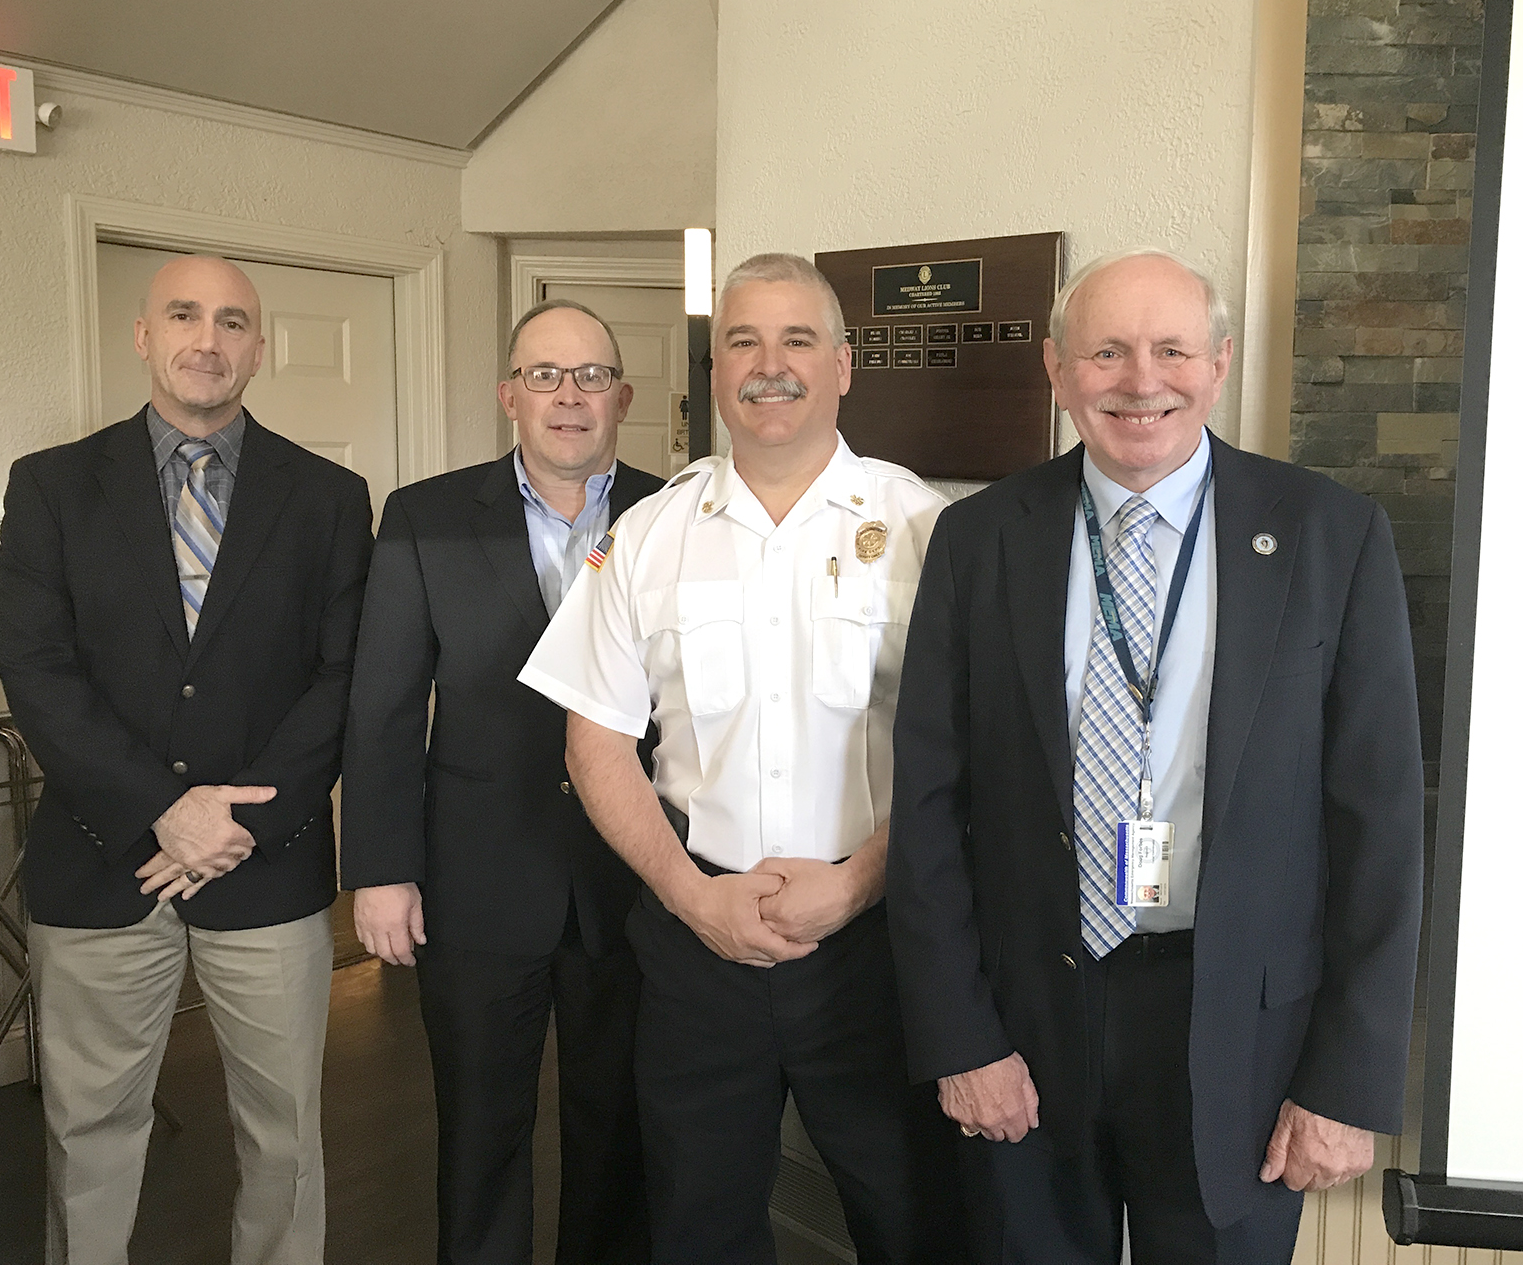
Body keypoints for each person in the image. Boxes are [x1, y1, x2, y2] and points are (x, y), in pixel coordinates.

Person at [885, 249, 1425, 1265]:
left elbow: (1381, 826)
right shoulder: (978, 539)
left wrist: (1345, 1086)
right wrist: (961, 1041)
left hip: (1242, 1032)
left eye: (1172, 349)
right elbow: (927, 808)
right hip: (1031, 1019)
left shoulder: (1329, 534)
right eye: (1109, 352)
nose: (1142, 381)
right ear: (1057, 369)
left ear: (1218, 364)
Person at [520, 254, 965, 1264]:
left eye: (797, 340)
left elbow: (971, 753)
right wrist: (688, 897)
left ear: (845, 365)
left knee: (914, 1221)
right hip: (697, 948)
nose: (771, 366)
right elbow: (595, 740)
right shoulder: (646, 534)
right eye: (744, 343)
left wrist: (858, 883)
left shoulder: (927, 529)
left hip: (882, 945)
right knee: (698, 1227)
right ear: (714, 370)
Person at [0, 255, 373, 1265]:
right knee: (87, 1132)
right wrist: (163, 809)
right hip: (101, 860)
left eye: (234, 321)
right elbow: (35, 670)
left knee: (286, 1134)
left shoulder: (331, 497)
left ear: (258, 346)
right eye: (185, 315)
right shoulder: (51, 487)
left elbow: (343, 678)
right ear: (144, 335)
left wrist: (234, 822)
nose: (209, 338)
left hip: (266, 865)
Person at [339, 299, 662, 1264]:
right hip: (478, 879)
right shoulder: (425, 516)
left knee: (621, 1128)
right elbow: (384, 707)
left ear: (623, 397)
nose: (570, 397)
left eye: (592, 377)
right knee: (481, 1128)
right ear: (507, 396)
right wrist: (382, 869)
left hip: (634, 875)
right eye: (545, 376)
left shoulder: (676, 508)